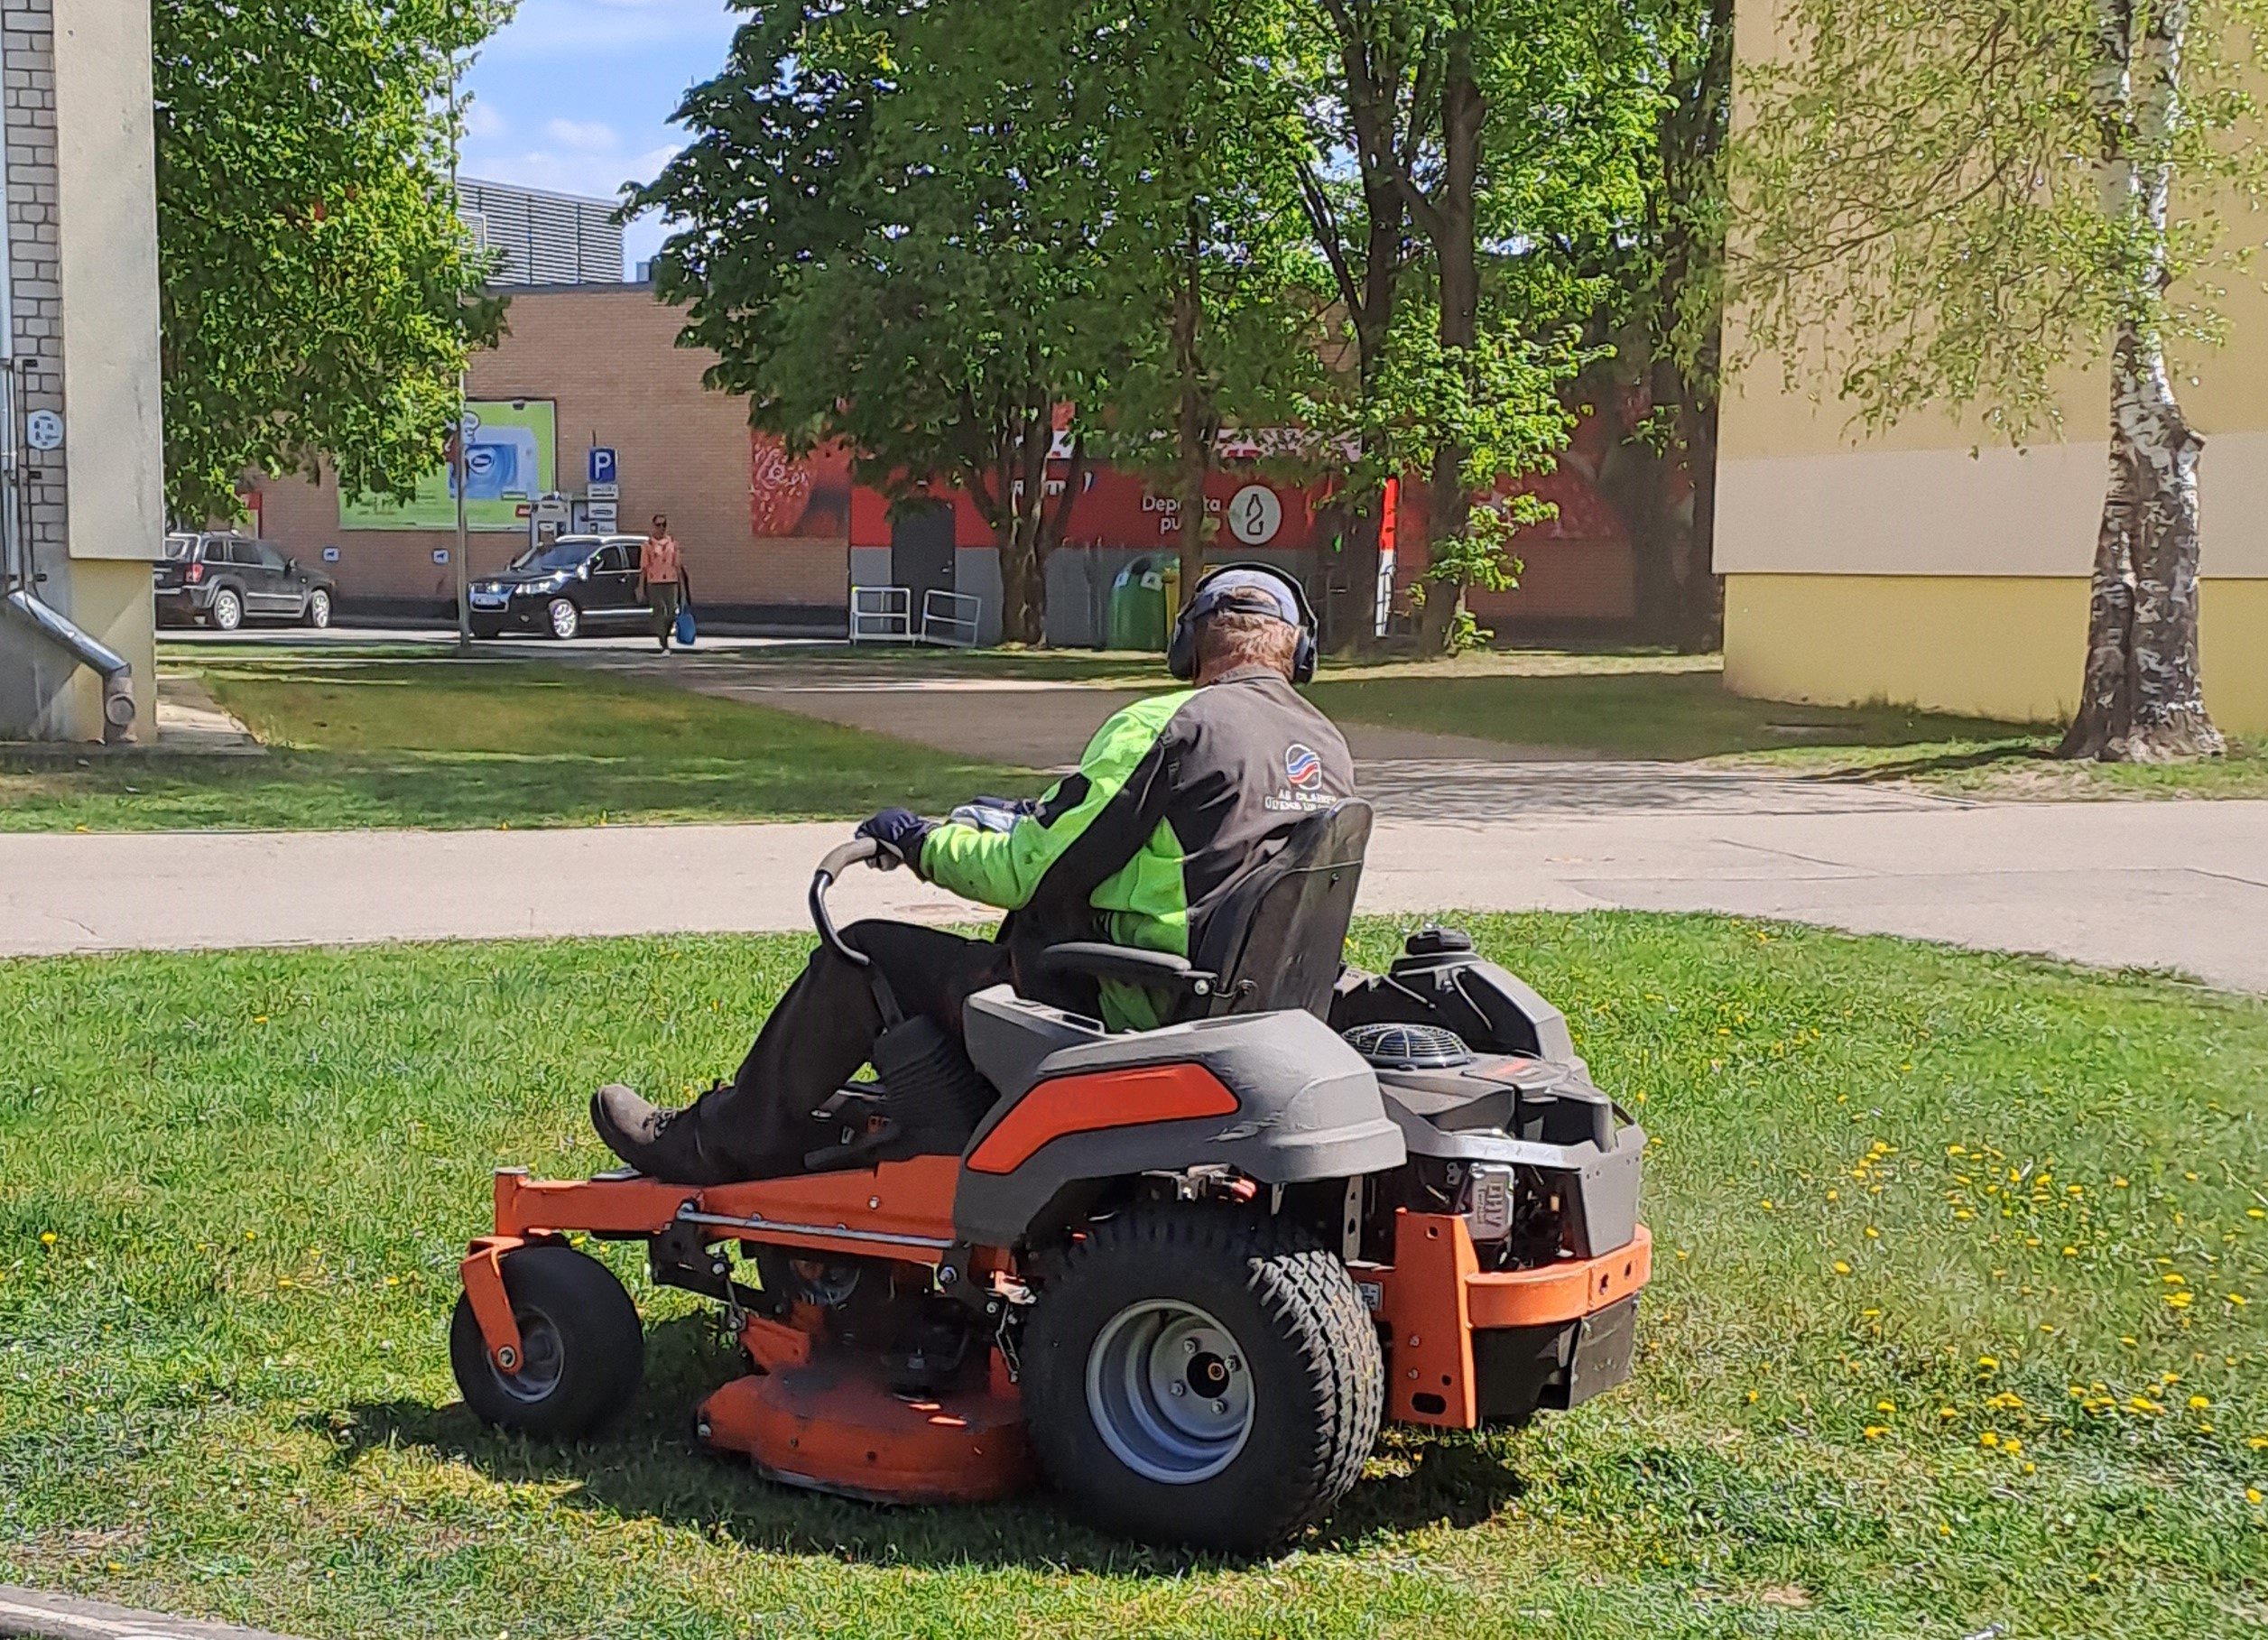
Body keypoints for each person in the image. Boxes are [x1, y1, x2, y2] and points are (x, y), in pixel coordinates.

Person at [590, 563, 1356, 1185]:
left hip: (1123, 1014)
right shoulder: (1326, 748)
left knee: (865, 957)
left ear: (1189, 645)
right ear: (1297, 652)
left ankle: (719, 1144)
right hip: (1245, 1018)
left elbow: (1026, 871)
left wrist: (918, 841)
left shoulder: (1170, 725)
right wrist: (1031, 813)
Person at [642, 514, 682, 652]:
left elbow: (677, 565)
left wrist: (682, 585)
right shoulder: (648, 545)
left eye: (664, 525)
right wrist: (641, 587)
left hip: (671, 581)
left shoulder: (672, 543)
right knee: (660, 611)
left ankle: (666, 631)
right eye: (658, 525)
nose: (661, 528)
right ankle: (663, 641)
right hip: (654, 582)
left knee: (672, 611)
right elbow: (644, 568)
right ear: (653, 526)